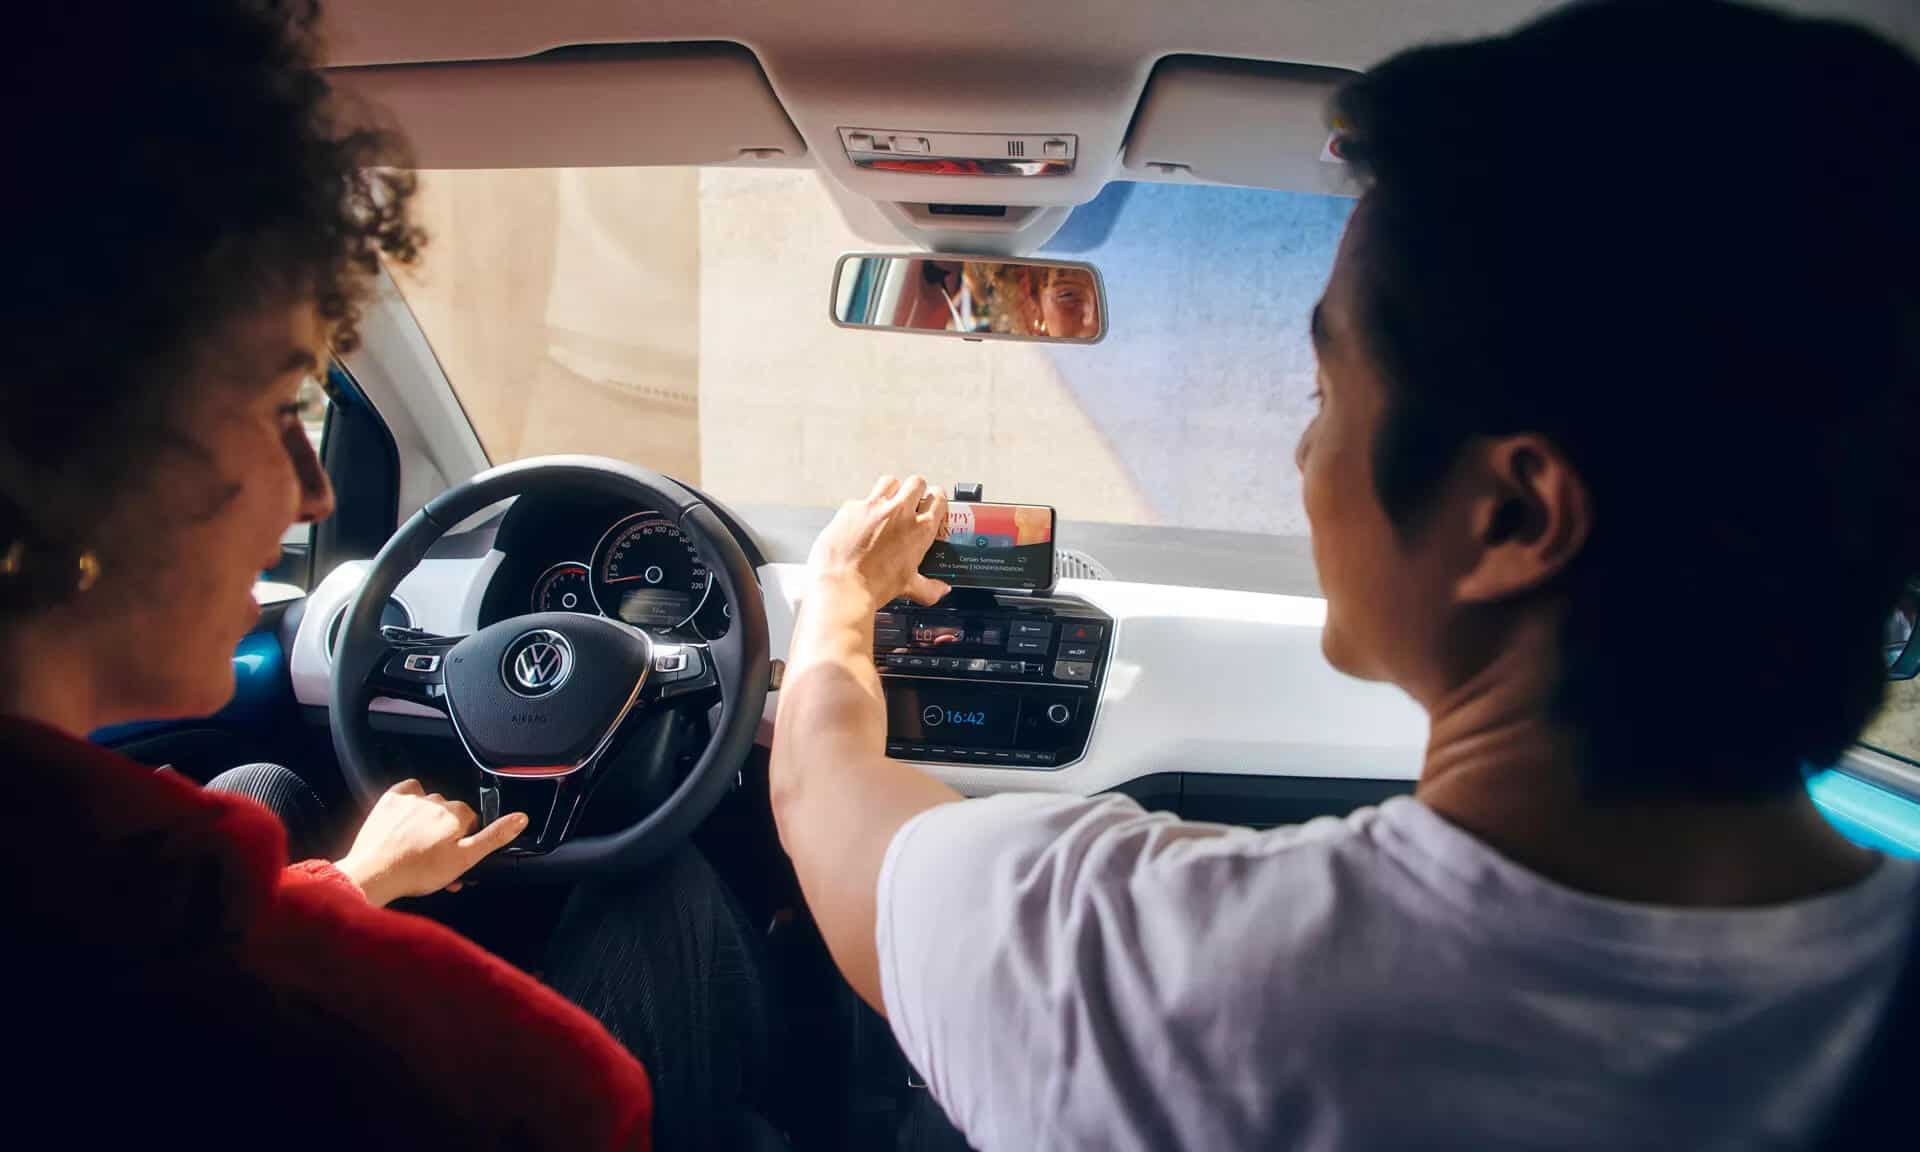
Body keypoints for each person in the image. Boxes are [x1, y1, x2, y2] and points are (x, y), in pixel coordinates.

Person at [769, 2, 1919, 1148]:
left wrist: (840, 597)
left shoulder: (1164, 983)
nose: (1304, 456)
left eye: (1325, 396)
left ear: (1512, 516)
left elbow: (821, 791)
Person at [2, 2, 766, 1148]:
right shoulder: (536, 1092)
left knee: (261, 784)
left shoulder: (104, 909)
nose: (315, 494)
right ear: (66, 430)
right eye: (282, 411)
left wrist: (358, 882)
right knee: (663, 894)